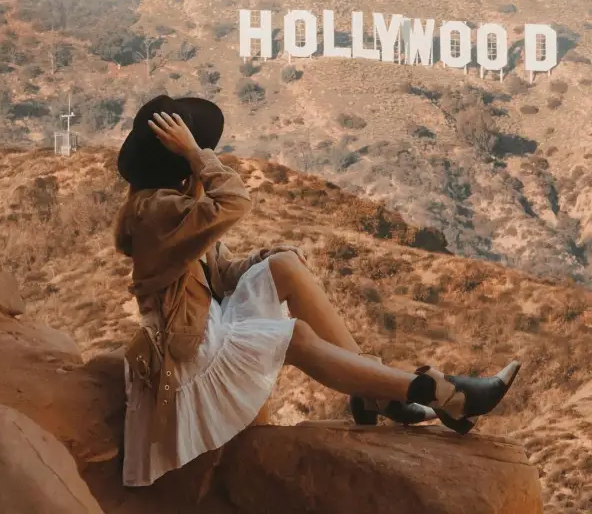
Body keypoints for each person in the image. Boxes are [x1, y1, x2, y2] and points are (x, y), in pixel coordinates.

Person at [114, 94, 521, 487]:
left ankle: (374, 395)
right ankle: (441, 393)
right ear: (178, 160)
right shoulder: (157, 211)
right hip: (185, 352)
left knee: (284, 265)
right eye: (191, 145)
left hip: (202, 321)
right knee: (296, 338)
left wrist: (265, 259)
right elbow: (236, 201)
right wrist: (196, 155)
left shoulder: (171, 203)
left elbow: (217, 275)